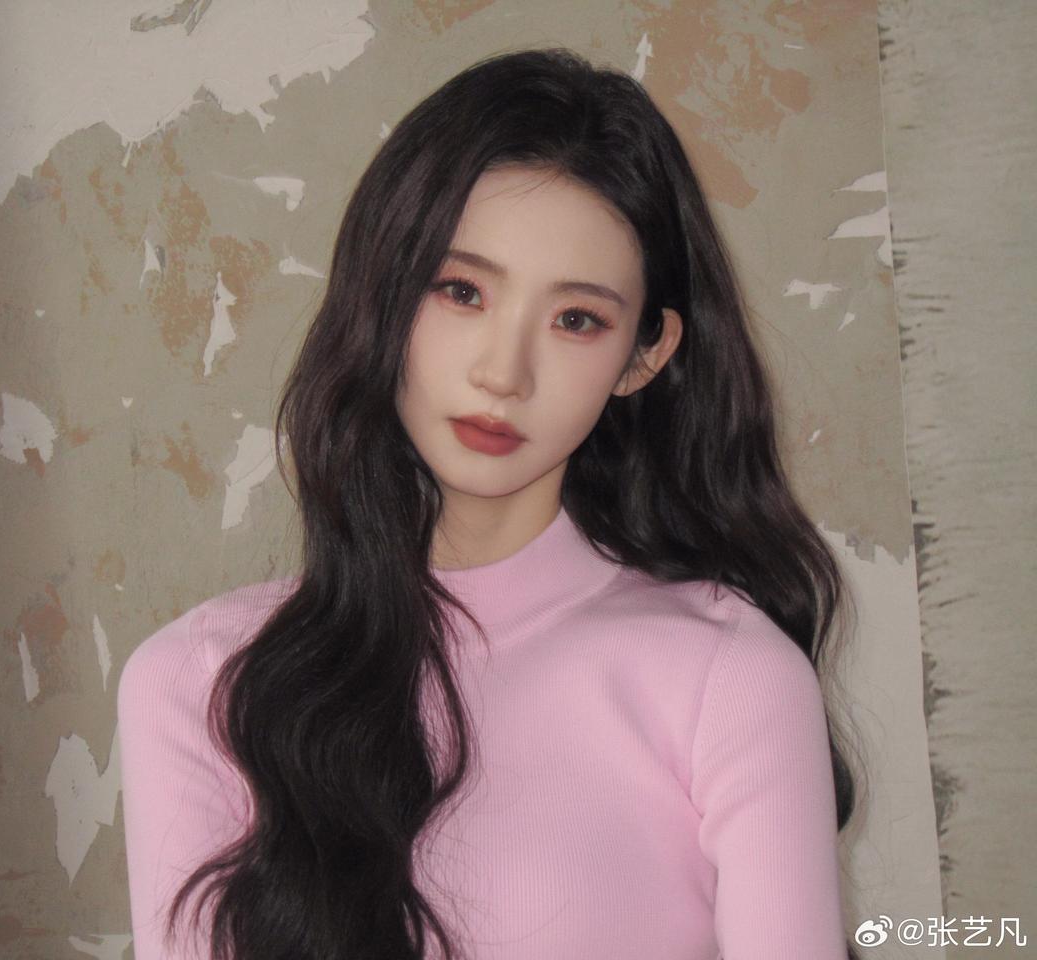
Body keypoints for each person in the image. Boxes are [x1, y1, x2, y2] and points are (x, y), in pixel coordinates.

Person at [118, 47, 862, 960]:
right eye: (461, 291)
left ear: (644, 355)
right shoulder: (199, 683)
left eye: (576, 319)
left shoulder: (729, 679)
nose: (504, 374)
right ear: (386, 292)